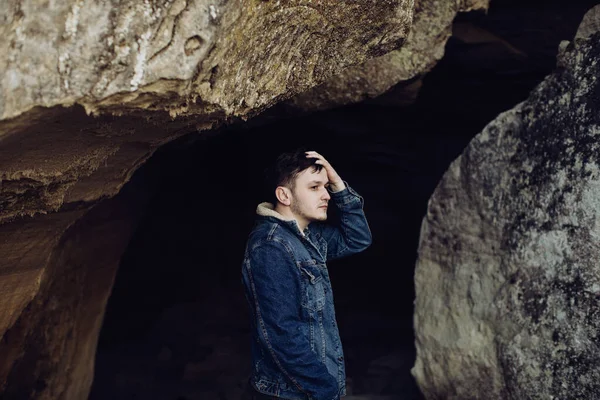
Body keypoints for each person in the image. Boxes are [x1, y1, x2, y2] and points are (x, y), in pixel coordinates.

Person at [241, 149, 372, 400]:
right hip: (288, 393)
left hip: (306, 391)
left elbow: (357, 239)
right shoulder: (271, 246)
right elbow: (280, 333)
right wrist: (325, 390)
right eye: (314, 187)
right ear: (284, 195)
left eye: (326, 187)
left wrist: (338, 185)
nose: (326, 195)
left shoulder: (308, 237)